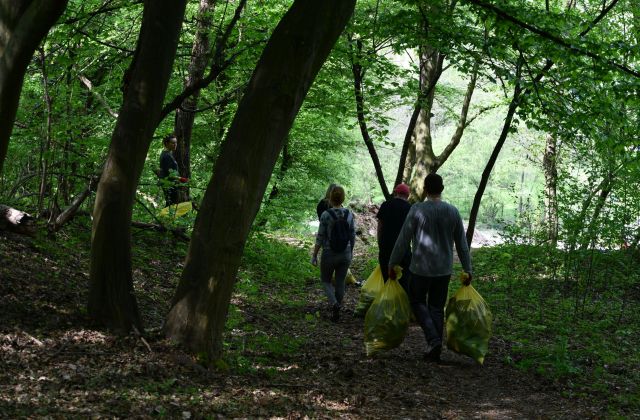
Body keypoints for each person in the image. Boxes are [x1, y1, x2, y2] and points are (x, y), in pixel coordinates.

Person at [388, 173, 472, 362]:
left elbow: (403, 239)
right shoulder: (453, 211)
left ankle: (433, 341)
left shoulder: (417, 210)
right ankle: (435, 346)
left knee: (417, 302)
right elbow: (462, 244)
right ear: (441, 189)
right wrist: (468, 269)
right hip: (443, 269)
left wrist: (392, 263)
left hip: (420, 268)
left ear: (425, 189)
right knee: (436, 306)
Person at [311, 185, 356, 322]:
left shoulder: (325, 215)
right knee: (340, 281)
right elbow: (353, 235)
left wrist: (314, 255)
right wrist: (351, 251)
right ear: (343, 198)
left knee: (325, 281)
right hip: (345, 252)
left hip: (329, 253)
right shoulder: (349, 214)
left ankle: (335, 304)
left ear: (330, 198)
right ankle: (338, 307)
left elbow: (320, 237)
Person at [377, 183, 412, 290]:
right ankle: (402, 304)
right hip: (404, 251)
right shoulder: (411, 208)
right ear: (407, 196)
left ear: (395, 193)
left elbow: (379, 228)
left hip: (386, 249)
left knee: (387, 280)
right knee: (404, 282)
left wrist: (380, 244)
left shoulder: (385, 205)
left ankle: (388, 303)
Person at [158, 134, 187, 207]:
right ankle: (165, 218)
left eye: (176, 142)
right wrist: (182, 179)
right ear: (167, 143)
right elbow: (169, 174)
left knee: (171, 204)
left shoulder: (168, 153)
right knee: (171, 205)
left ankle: (166, 217)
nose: (175, 145)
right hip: (169, 184)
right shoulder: (166, 156)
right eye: (173, 143)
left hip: (171, 184)